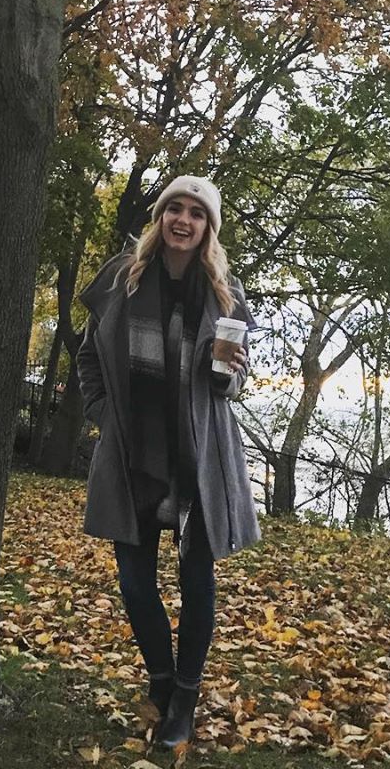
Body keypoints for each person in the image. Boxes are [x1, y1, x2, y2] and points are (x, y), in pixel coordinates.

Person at [77, 175, 260, 749]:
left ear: (208, 230)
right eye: (174, 209)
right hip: (133, 455)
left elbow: (229, 389)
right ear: (160, 217)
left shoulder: (224, 293)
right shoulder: (121, 278)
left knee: (196, 582)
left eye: (196, 214)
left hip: (197, 457)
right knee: (135, 583)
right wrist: (105, 416)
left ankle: (184, 695)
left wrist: (227, 370)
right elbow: (88, 356)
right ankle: (160, 678)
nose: (183, 220)